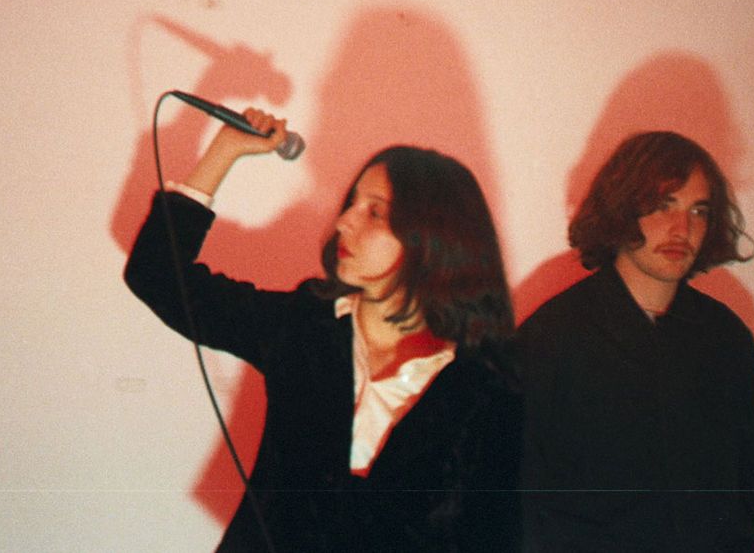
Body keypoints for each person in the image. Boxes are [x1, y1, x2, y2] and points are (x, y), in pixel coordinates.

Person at [124, 108, 521, 551]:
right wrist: (225, 150)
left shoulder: (486, 388)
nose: (344, 221)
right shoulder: (306, 325)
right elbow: (157, 275)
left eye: (374, 213)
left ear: (432, 242)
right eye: (352, 203)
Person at [517, 131, 754, 551]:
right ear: (621, 207)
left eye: (699, 211)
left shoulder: (727, 339)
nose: (681, 228)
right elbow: (523, 503)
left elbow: (747, 491)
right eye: (662, 205)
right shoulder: (550, 338)